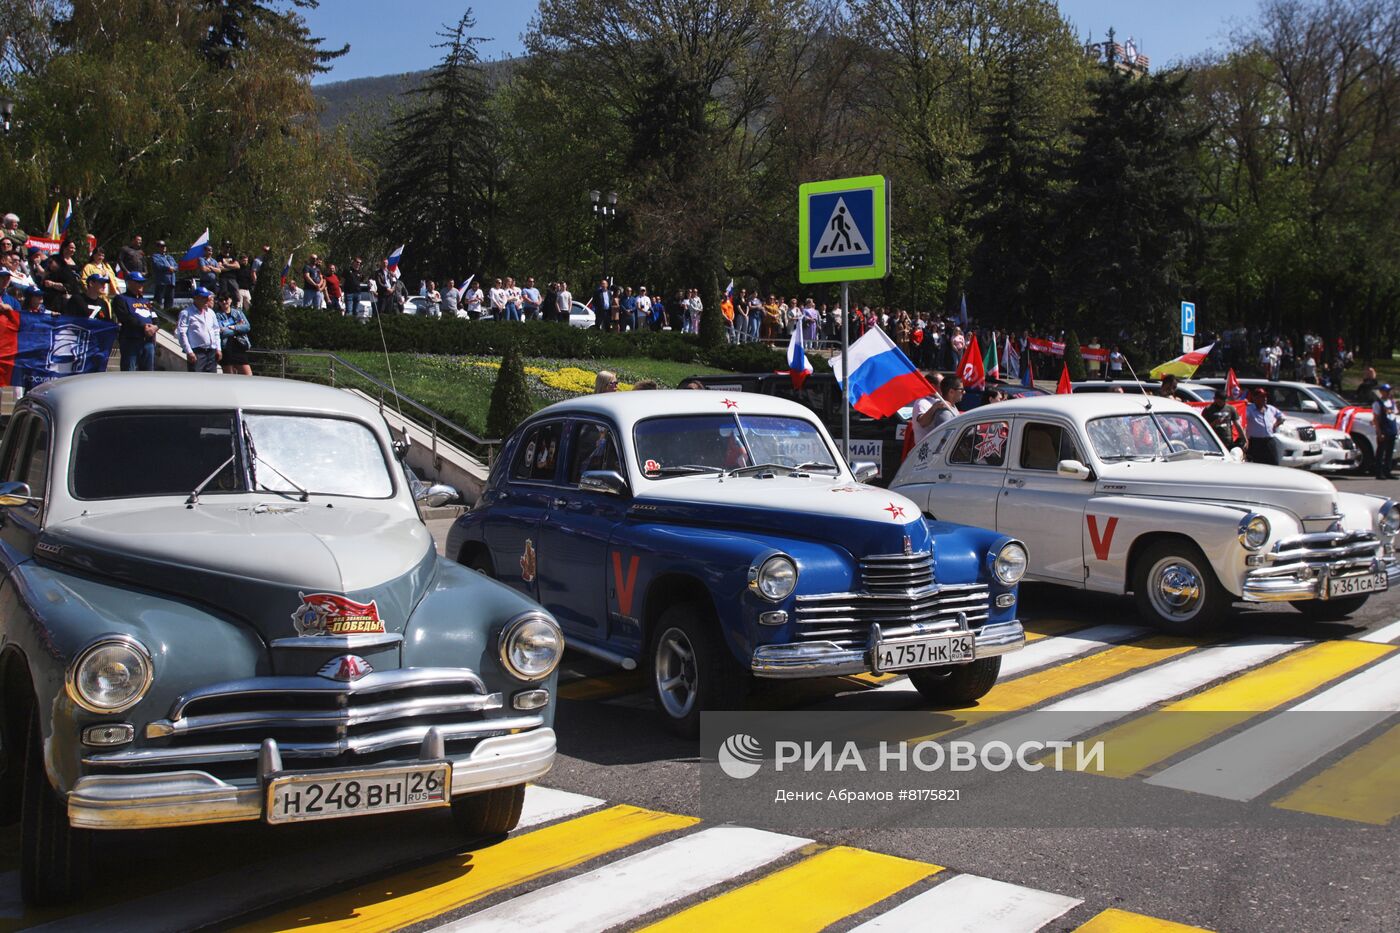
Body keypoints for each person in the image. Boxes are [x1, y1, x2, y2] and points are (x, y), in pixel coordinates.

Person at [113, 271, 159, 371]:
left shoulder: (145, 301)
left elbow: (154, 317)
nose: (141, 284)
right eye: (138, 282)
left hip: (148, 342)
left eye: (142, 282)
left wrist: (155, 327)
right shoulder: (121, 299)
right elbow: (125, 317)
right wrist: (143, 326)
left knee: (148, 373)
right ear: (129, 283)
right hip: (131, 341)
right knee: (129, 371)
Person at [178, 286, 222, 372]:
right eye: (203, 298)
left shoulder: (210, 312)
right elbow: (182, 333)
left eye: (207, 298)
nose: (206, 300)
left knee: (212, 380)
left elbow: (216, 330)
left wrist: (218, 348)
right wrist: (189, 351)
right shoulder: (186, 313)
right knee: (196, 380)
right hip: (197, 352)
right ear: (196, 298)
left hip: (211, 352)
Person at [910, 373, 959, 446]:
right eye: (942, 384)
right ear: (932, 386)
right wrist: (934, 407)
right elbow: (922, 422)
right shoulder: (921, 402)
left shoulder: (940, 400)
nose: (945, 387)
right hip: (926, 450)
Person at [1245, 387, 1285, 466]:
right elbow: (1242, 419)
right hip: (1256, 442)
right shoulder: (1249, 409)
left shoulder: (1270, 408)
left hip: (1269, 441)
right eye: (1261, 397)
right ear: (1254, 398)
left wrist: (1276, 424)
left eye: (1265, 396)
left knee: (1273, 463)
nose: (1265, 398)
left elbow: (1282, 417)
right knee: (1257, 465)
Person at [215, 291, 252, 375]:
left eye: (226, 299)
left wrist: (234, 327)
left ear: (231, 300)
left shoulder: (238, 312)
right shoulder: (217, 315)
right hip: (226, 347)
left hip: (239, 344)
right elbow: (221, 333)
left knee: (248, 374)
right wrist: (238, 328)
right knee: (229, 375)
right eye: (221, 300)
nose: (224, 302)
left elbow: (247, 327)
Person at [1372, 384, 1397, 479]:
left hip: (1392, 430)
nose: (1389, 393)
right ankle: (1378, 472)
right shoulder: (1377, 403)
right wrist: (1379, 432)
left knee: (1389, 452)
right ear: (1382, 392)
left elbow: (1394, 414)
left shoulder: (1391, 402)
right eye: (1387, 391)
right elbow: (1376, 419)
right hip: (1384, 430)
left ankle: (1387, 471)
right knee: (1381, 452)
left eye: (1389, 391)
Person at [150, 240, 177, 311]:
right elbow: (158, 265)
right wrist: (168, 268)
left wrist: (174, 268)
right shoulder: (155, 256)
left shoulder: (169, 257)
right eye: (162, 246)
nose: (164, 247)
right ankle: (157, 317)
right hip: (162, 282)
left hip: (171, 282)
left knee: (169, 302)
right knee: (158, 302)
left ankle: (168, 319)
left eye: (165, 246)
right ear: (158, 247)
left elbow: (176, 266)